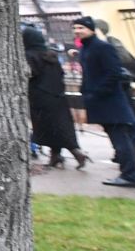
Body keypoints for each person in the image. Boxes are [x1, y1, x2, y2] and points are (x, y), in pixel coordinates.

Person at [73, 15, 135, 188]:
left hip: (110, 101)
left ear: (91, 29)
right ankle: (128, 173)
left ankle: (130, 176)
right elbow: (89, 73)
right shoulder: (86, 49)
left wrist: (97, 92)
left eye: (81, 28)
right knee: (118, 139)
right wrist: (86, 91)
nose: (77, 31)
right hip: (99, 100)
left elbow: (114, 73)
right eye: (75, 28)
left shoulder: (102, 47)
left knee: (120, 139)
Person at [22, 23, 88, 171]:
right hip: (58, 96)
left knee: (50, 128)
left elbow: (29, 74)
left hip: (40, 97)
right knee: (59, 127)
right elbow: (61, 74)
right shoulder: (50, 55)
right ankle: (55, 156)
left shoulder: (30, 56)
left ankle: (76, 153)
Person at [97, 17, 135, 158]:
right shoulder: (112, 41)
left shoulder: (108, 44)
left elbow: (119, 62)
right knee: (130, 114)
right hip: (122, 83)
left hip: (120, 84)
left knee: (129, 114)